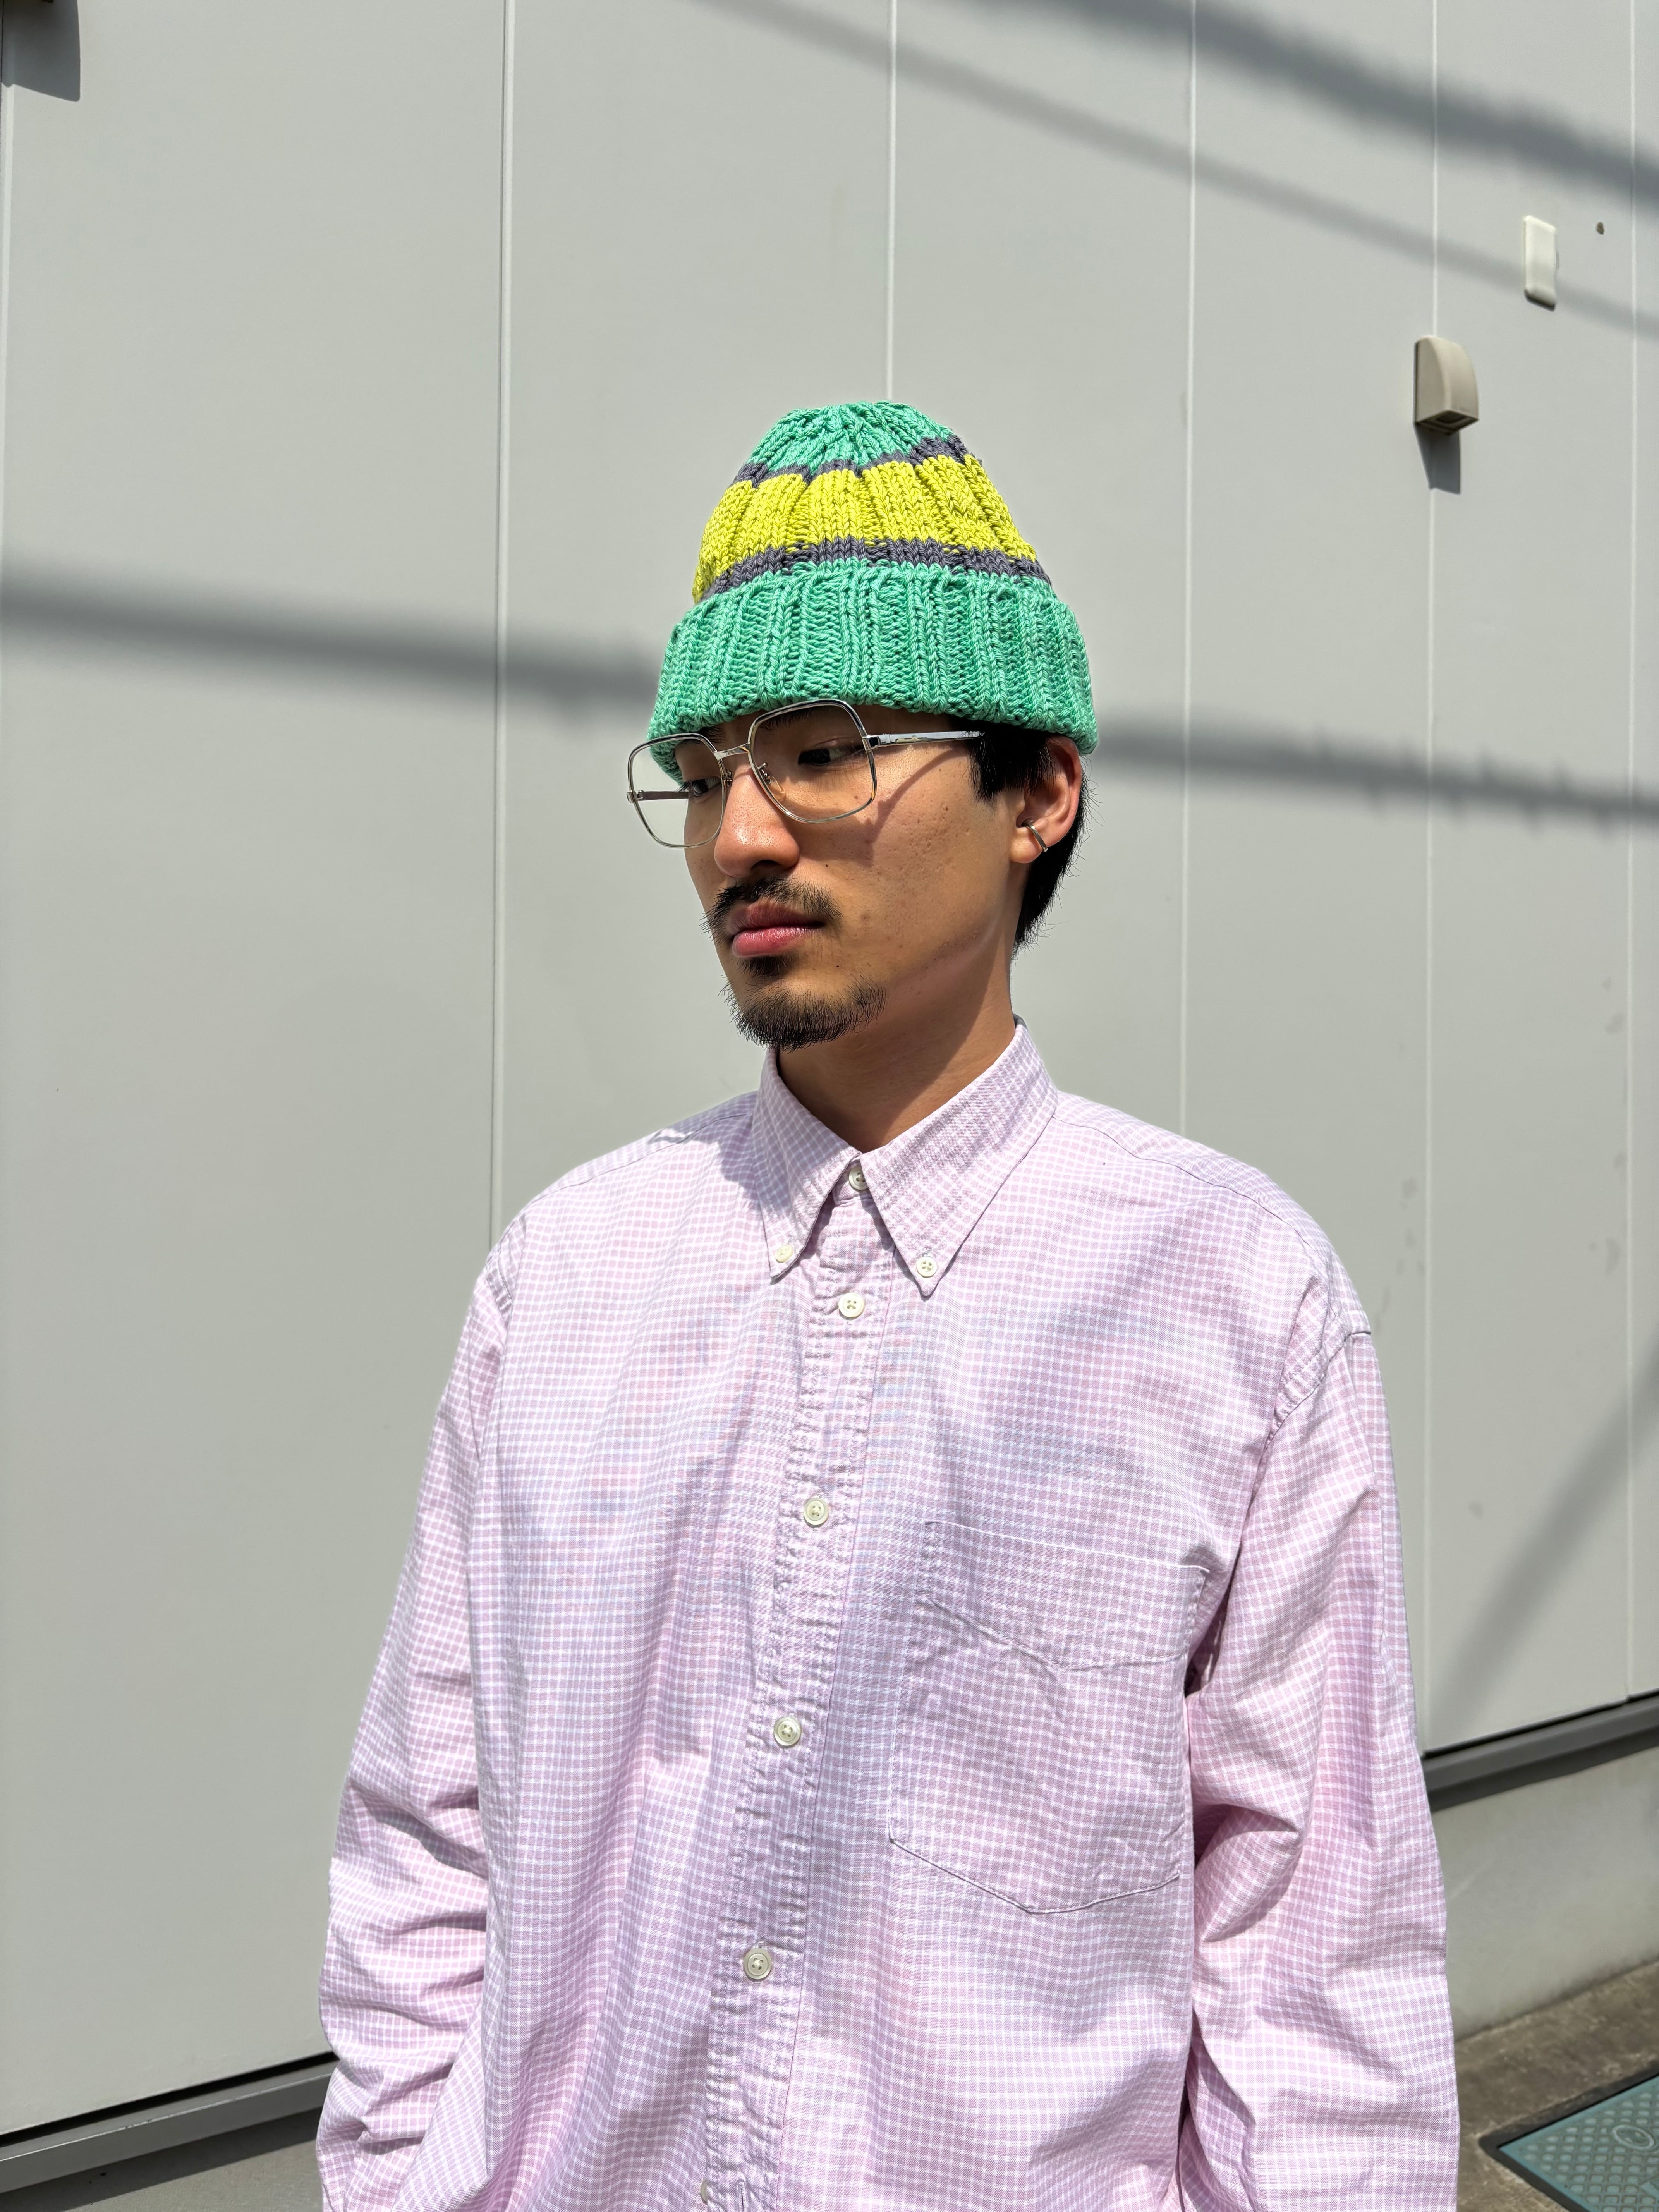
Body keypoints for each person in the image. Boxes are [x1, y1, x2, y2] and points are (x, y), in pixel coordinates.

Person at [317, 402, 1459, 2212]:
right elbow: (423, 1845)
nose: (738, 836)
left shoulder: (1229, 1295)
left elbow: (1315, 1960)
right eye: (703, 770)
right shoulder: (569, 1277)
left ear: (1039, 794)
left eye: (820, 754)